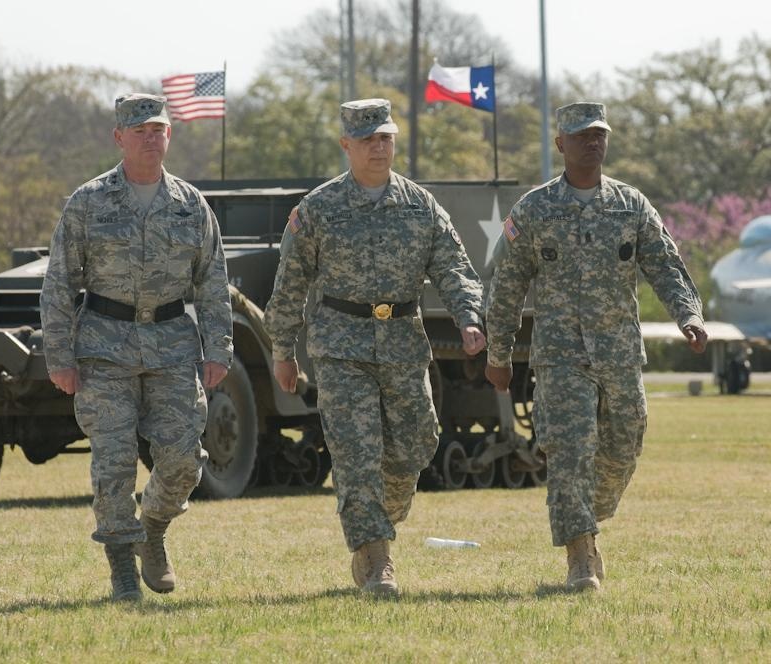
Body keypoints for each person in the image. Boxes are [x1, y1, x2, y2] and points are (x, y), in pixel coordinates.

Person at [264, 98, 486, 597]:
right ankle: (376, 557)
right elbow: (290, 284)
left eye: (385, 137)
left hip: (404, 345)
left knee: (416, 446)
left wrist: (469, 317)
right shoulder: (318, 208)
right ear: (347, 145)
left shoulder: (419, 205)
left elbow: (453, 266)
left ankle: (380, 520)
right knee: (356, 455)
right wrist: (283, 350)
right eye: (367, 139)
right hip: (340, 347)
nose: (378, 147)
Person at [484, 102, 708, 591]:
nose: (593, 142)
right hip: (562, 358)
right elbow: (505, 286)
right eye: (582, 135)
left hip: (619, 354)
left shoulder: (631, 205)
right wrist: (498, 354)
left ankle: (592, 511)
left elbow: (665, 266)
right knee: (569, 451)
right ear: (561, 144)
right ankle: (579, 554)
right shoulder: (535, 209)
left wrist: (688, 315)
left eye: (599, 134)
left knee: (624, 444)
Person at [40, 93, 233, 601]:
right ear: (119, 137)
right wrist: (59, 356)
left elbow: (213, 282)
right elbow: (59, 283)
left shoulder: (190, 205)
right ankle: (122, 564)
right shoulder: (89, 201)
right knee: (113, 462)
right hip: (104, 347)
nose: (151, 138)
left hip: (172, 347)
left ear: (169, 136)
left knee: (184, 460)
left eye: (159, 130)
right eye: (140, 130)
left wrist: (219, 348)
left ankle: (153, 528)